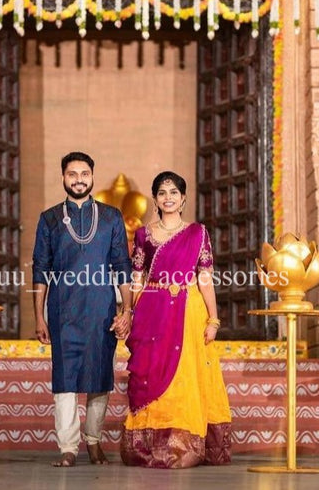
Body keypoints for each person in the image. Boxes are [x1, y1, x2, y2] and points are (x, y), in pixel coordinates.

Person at [119, 171, 232, 469]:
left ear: (183, 199)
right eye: (162, 192)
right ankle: (148, 447)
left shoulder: (198, 233)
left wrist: (214, 319)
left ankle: (182, 446)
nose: (168, 197)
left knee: (184, 378)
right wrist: (129, 311)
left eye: (173, 192)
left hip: (188, 311)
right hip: (152, 310)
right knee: (148, 374)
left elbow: (205, 279)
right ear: (155, 199)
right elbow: (137, 278)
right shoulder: (143, 234)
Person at [32, 151, 132, 467]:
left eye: (84, 173)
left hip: (102, 309)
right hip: (62, 310)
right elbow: (40, 269)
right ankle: (68, 448)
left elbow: (122, 266)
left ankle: (93, 442)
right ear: (63, 177)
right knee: (65, 378)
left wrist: (126, 310)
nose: (78, 179)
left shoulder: (112, 217)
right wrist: (39, 316)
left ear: (92, 176)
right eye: (72, 173)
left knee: (99, 375)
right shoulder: (48, 218)